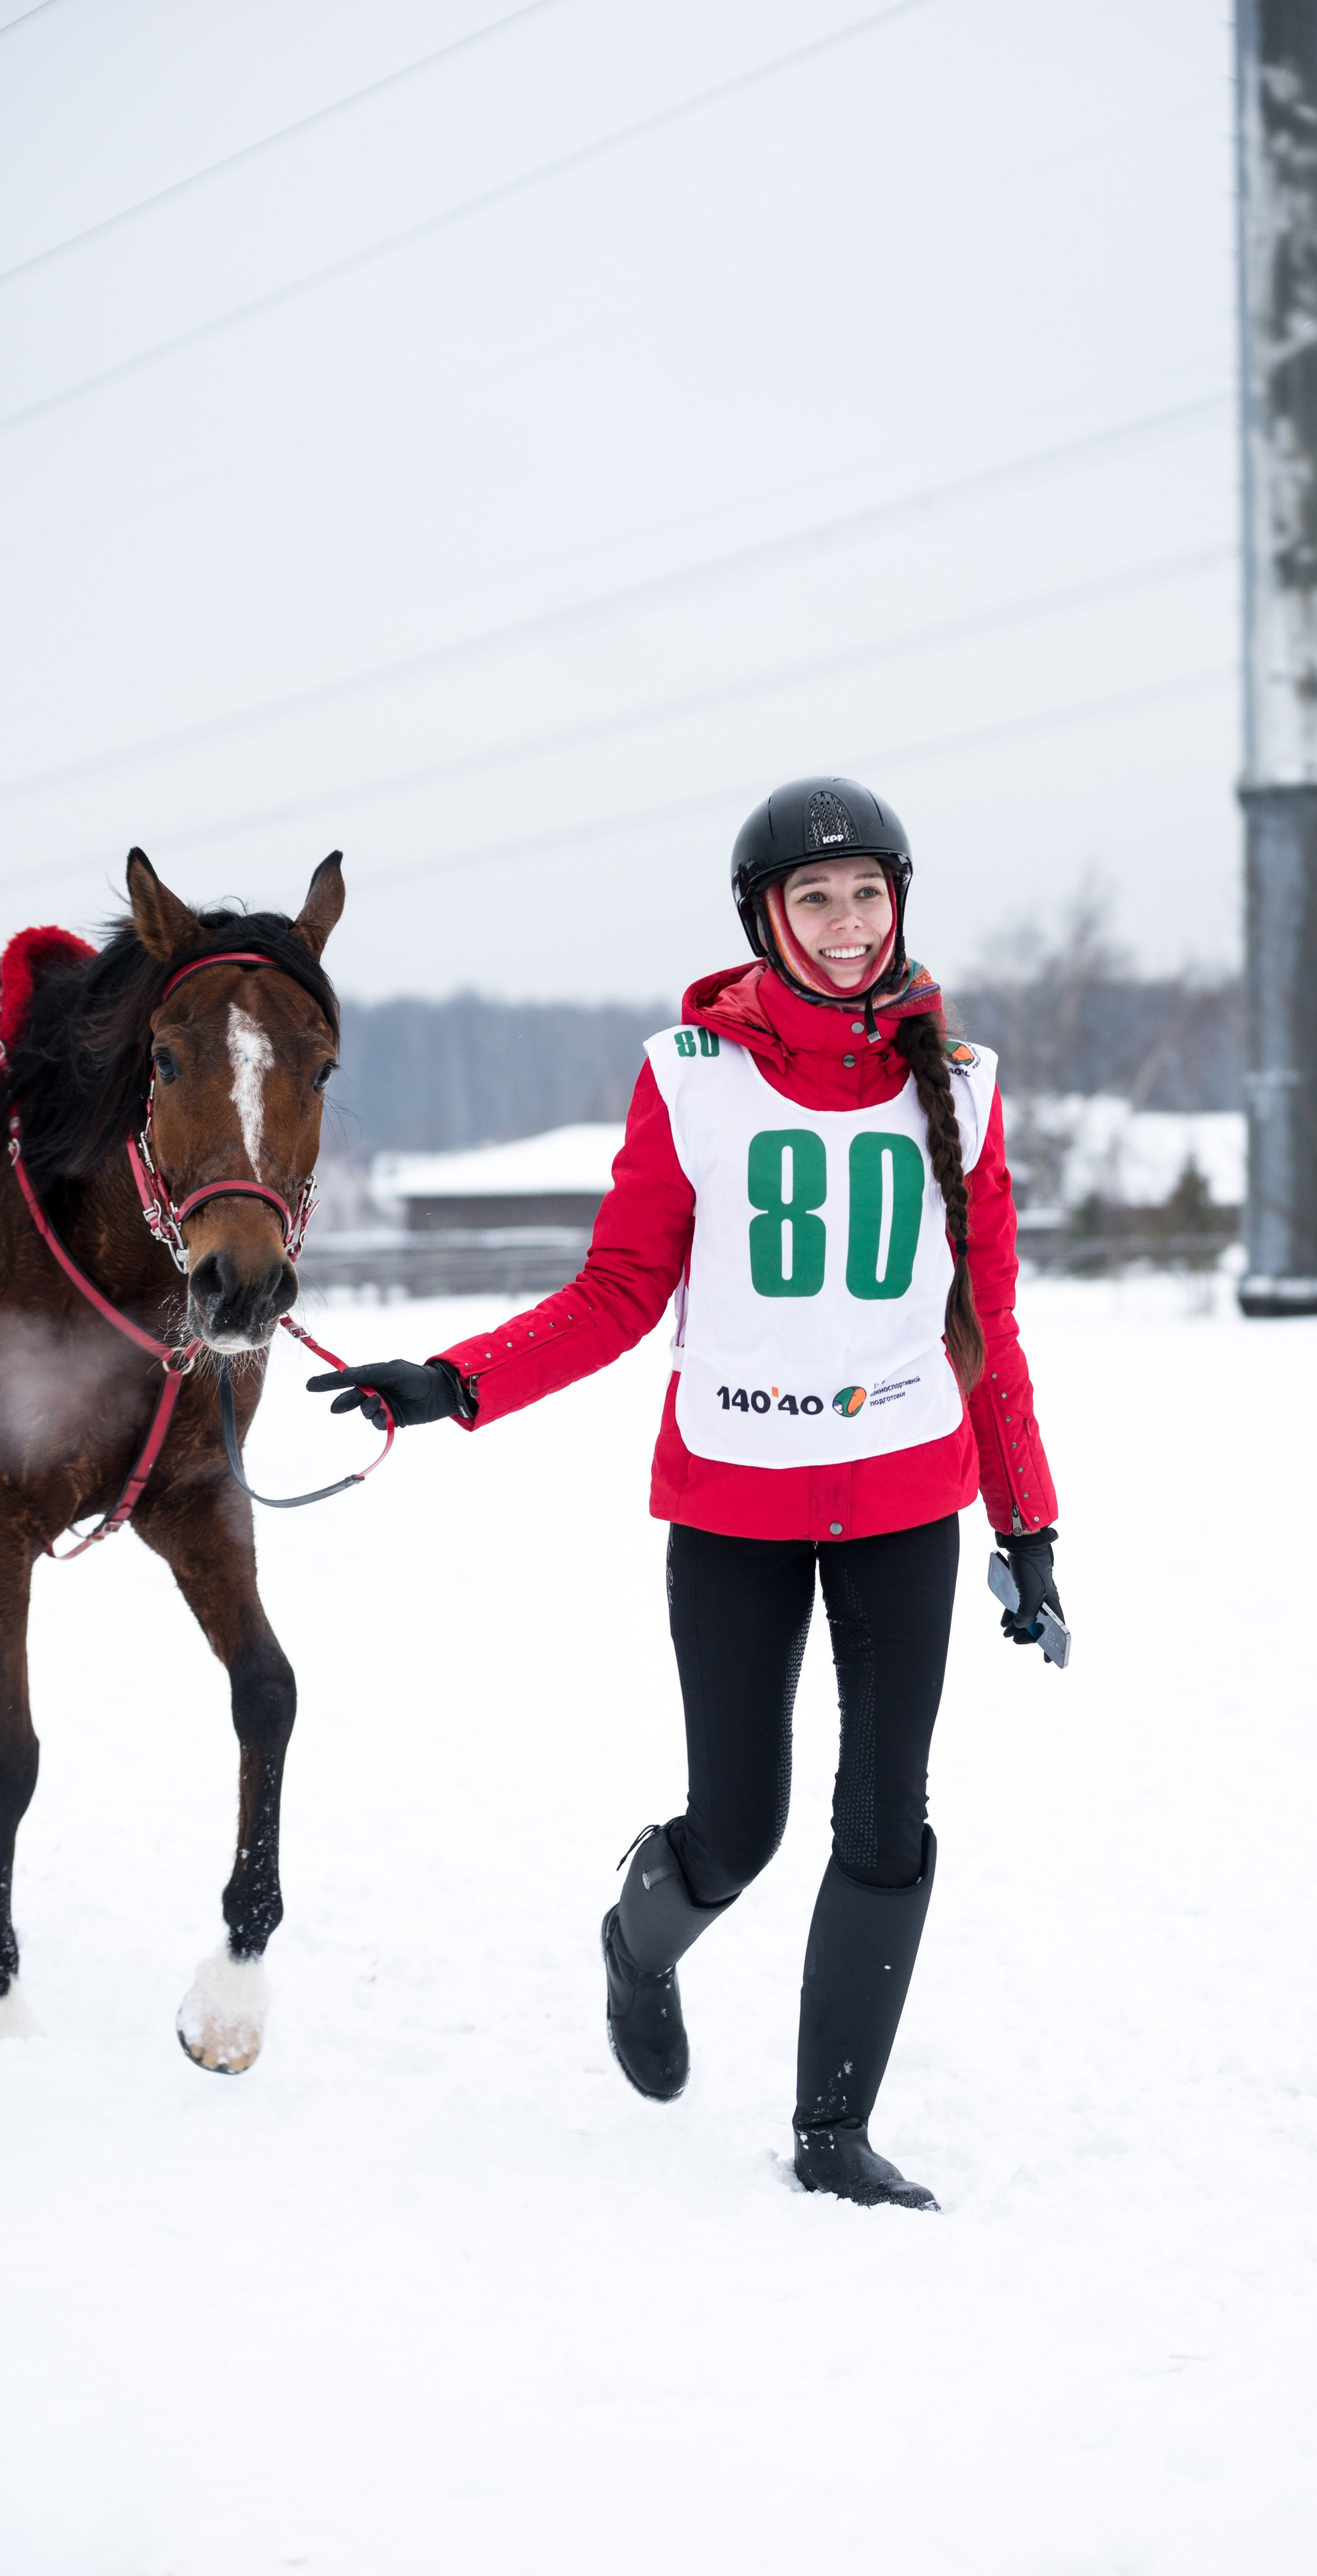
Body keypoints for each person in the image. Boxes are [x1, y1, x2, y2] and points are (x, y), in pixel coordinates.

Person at [309, 777, 1061, 2210]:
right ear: (762, 919)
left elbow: (990, 1329)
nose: (846, 927)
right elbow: (616, 1293)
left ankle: (831, 2136)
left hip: (907, 1493)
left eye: (868, 895)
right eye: (814, 899)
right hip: (734, 1507)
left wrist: (1027, 1524)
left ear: (901, 903)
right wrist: (453, 1381)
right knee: (741, 1824)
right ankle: (633, 1948)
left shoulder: (960, 1087)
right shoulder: (688, 1076)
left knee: (885, 1819)